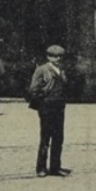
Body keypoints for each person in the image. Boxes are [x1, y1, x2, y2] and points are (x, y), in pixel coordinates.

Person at [27, 44, 72, 177]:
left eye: (59, 56)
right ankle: (41, 168)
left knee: (58, 138)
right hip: (46, 108)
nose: (57, 59)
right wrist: (42, 102)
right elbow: (33, 89)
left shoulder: (61, 70)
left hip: (59, 107)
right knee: (45, 138)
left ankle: (55, 167)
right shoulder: (42, 70)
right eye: (54, 56)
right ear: (48, 57)